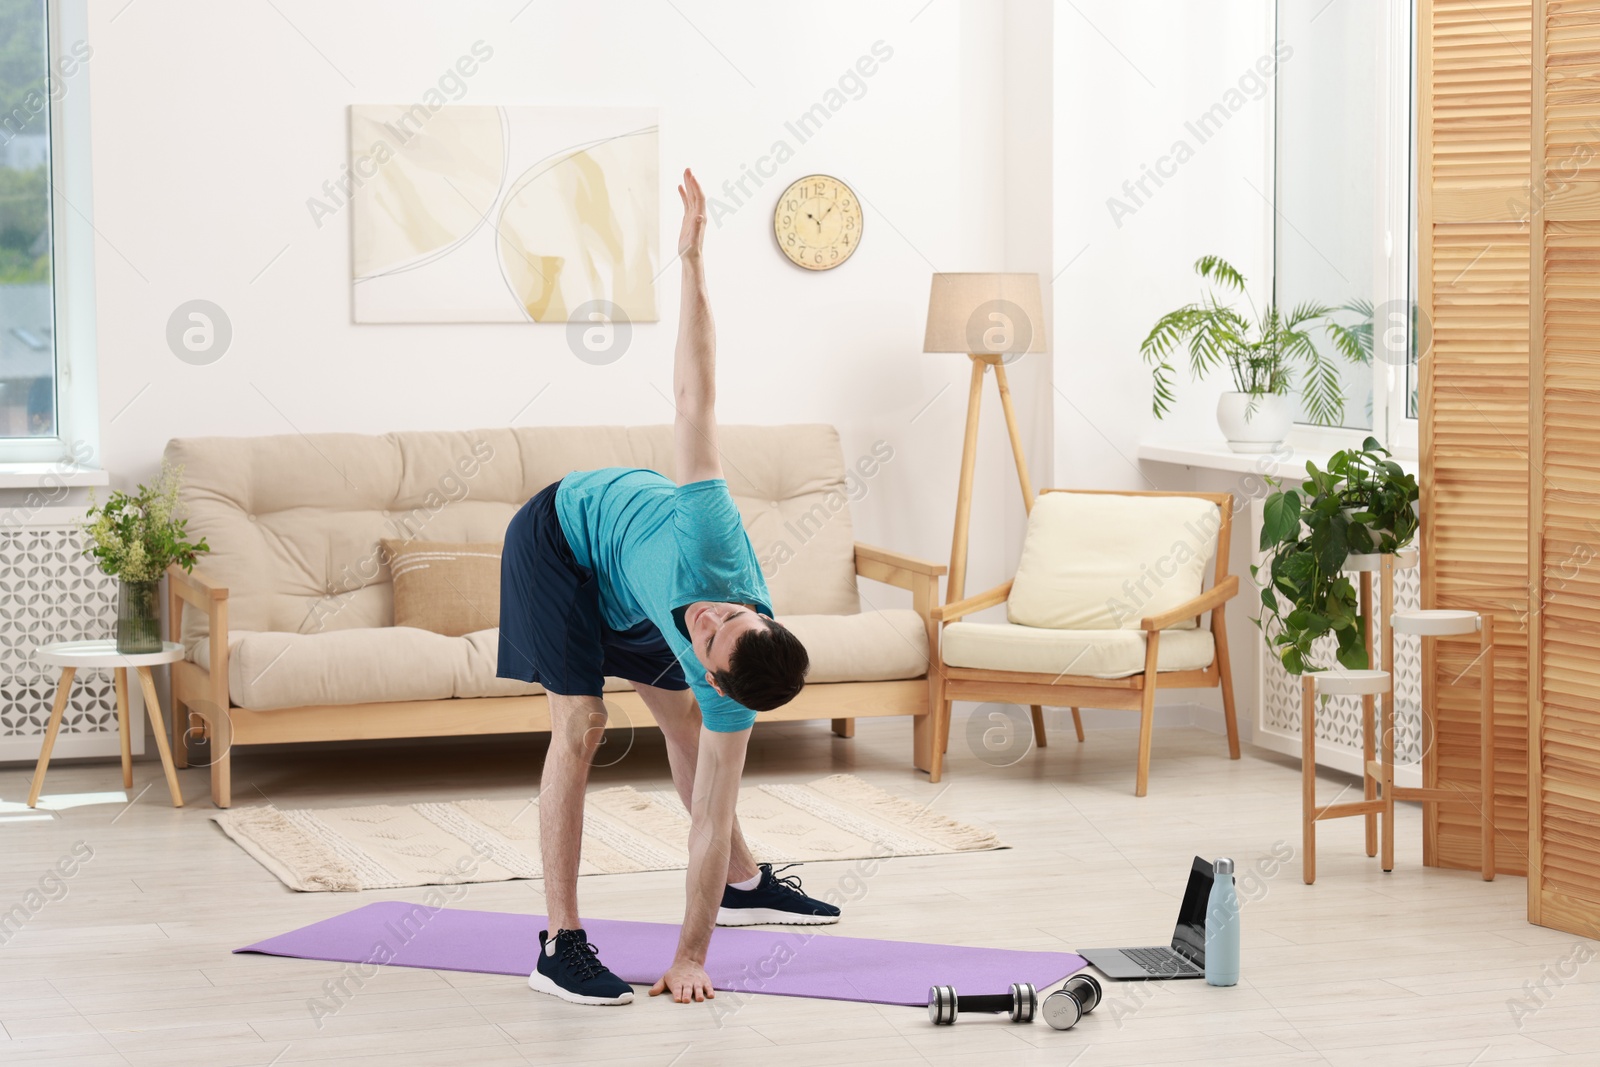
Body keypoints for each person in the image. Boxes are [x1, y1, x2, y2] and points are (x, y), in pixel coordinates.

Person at [497, 168, 838, 1008]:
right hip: (560, 540)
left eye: (714, 634)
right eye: (727, 613)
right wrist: (690, 260)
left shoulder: (728, 692)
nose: (715, 616)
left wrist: (691, 957)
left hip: (635, 596)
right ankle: (559, 943)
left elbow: (710, 813)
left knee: (689, 744)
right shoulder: (713, 540)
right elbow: (695, 393)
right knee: (582, 723)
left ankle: (746, 885)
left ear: (720, 673)